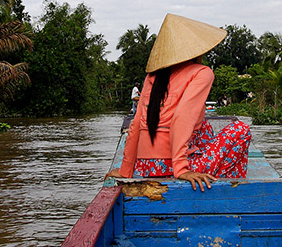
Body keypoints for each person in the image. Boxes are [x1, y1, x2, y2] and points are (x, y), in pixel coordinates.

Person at [106, 14, 252, 191]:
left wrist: (125, 170)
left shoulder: (152, 76)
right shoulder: (202, 72)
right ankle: (227, 188)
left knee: (204, 127)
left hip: (146, 167)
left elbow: (136, 124)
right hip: (171, 167)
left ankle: (192, 165)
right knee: (241, 130)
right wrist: (182, 169)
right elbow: (182, 117)